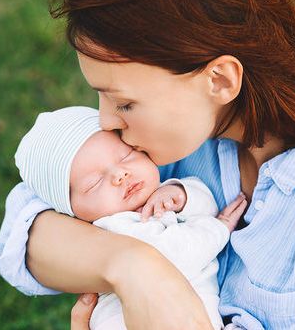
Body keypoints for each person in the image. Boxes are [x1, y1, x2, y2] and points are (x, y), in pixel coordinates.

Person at [0, 0, 295, 329]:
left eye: (124, 103)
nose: (106, 123)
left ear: (221, 80)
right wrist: (136, 269)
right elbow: (25, 224)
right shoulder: (167, 138)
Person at [13, 106, 247, 330]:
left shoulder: (160, 191)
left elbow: (205, 203)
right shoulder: (114, 228)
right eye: (94, 184)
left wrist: (182, 194)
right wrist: (218, 228)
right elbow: (175, 257)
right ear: (72, 212)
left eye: (125, 156)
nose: (119, 175)